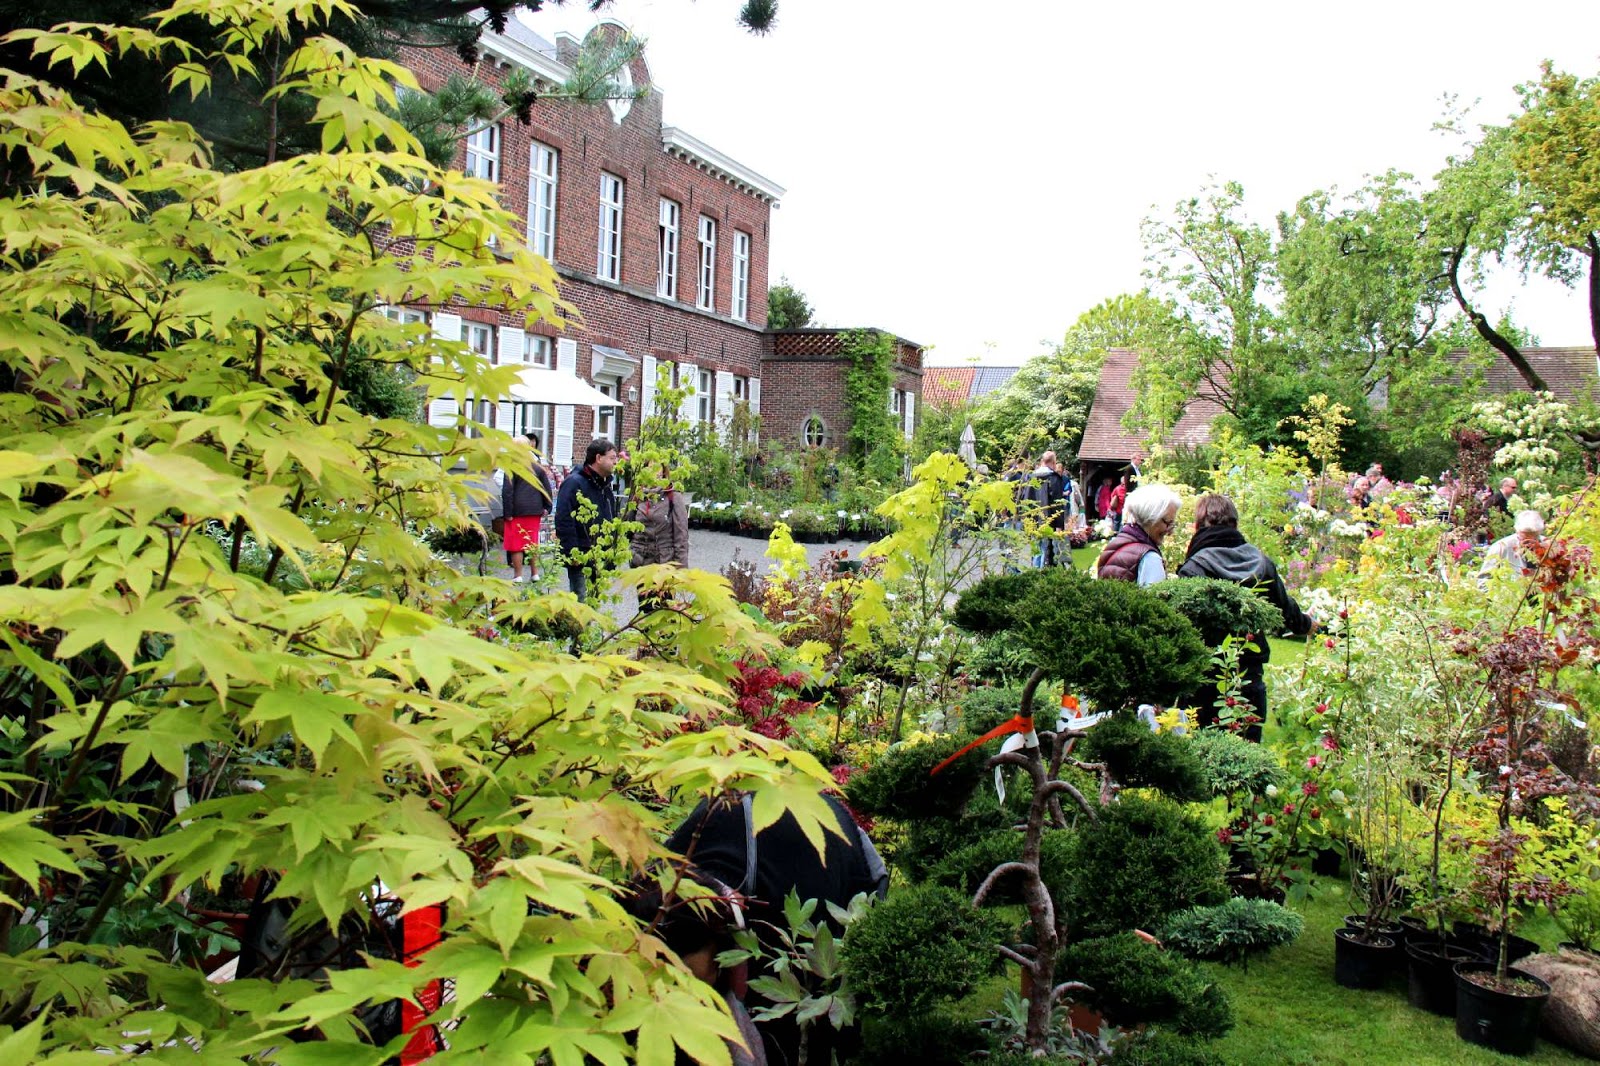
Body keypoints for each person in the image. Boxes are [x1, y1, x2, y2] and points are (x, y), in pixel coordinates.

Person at [639, 791, 887, 1066]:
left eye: (683, 978)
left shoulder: (788, 889)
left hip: (825, 896)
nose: (680, 990)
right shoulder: (686, 856)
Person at [1176, 494, 1316, 742]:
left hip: (1205, 675)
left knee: (1200, 756)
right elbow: (1285, 612)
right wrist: (1308, 624)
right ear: (1235, 524)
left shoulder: (1195, 567)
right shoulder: (1261, 563)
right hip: (1248, 673)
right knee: (1247, 751)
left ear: (1198, 526)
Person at [553, 437, 619, 602]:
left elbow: (611, 517)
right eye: (612, 458)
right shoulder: (574, 483)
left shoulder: (604, 485)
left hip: (600, 554)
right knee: (581, 601)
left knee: (594, 600)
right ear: (598, 458)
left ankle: (589, 627)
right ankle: (580, 628)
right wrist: (571, 551)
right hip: (581, 554)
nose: (616, 462)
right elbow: (564, 519)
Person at [1094, 483, 1180, 585]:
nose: (1170, 531)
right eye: (1168, 522)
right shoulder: (1149, 558)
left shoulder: (1117, 543)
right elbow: (1155, 600)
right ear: (1150, 518)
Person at [500, 432, 553, 584]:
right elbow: (546, 487)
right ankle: (535, 573)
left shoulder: (512, 466)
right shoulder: (537, 467)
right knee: (532, 542)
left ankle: (518, 575)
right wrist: (547, 506)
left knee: (516, 544)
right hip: (534, 509)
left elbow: (507, 491)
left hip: (517, 510)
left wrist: (508, 513)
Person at [630, 467, 691, 570]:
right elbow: (630, 529)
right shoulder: (638, 495)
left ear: (663, 471)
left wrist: (681, 570)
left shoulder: (673, 497)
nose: (654, 471)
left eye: (657, 467)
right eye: (649, 467)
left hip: (664, 563)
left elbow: (681, 538)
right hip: (641, 563)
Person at [1477, 510, 1545, 585]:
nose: (1530, 543)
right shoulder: (1501, 548)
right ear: (1516, 530)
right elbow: (1483, 581)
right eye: (1524, 539)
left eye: (1535, 537)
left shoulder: (1549, 546)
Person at [1026, 450, 1067, 567]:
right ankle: (1041, 574)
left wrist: (1027, 520)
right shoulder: (1054, 478)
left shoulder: (1031, 477)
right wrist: (1059, 524)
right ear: (1053, 462)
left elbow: (1027, 499)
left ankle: (1034, 572)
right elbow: (1057, 503)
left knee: (1036, 549)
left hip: (1033, 520)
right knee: (1045, 550)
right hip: (1048, 519)